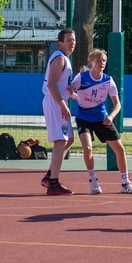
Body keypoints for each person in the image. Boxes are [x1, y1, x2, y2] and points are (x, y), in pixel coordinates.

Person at [68, 48, 132, 194]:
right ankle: (93, 180)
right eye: (98, 60)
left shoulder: (108, 81)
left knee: (120, 149)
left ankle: (125, 183)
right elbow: (69, 89)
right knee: (87, 148)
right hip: (83, 118)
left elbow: (117, 104)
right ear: (91, 62)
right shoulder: (81, 77)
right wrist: (74, 94)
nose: (102, 63)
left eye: (104, 61)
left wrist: (111, 116)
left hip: (102, 118)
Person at [40, 29, 77, 195]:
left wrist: (72, 94)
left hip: (59, 101)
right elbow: (51, 85)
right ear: (60, 42)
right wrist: (62, 104)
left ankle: (50, 176)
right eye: (69, 40)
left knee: (69, 139)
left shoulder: (65, 59)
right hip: (55, 103)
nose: (72, 43)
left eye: (74, 40)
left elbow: (60, 84)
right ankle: (53, 183)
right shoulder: (59, 58)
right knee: (60, 142)